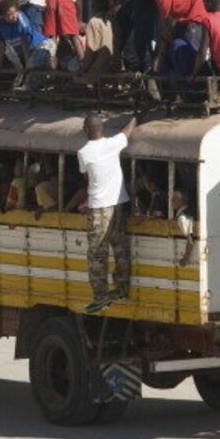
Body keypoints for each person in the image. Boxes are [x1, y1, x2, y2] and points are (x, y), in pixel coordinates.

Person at [78, 112, 139, 313]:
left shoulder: (83, 153)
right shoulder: (113, 144)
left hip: (98, 207)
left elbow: (87, 179)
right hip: (119, 203)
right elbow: (126, 132)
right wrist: (135, 118)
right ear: (102, 129)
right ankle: (121, 288)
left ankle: (101, 297)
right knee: (120, 247)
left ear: (86, 130)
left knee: (97, 254)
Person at [132, 0, 207, 74]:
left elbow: (167, 25)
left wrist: (159, 55)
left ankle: (193, 80)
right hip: (186, 16)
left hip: (197, 16)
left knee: (188, 51)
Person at [0, 0, 56, 90]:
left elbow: (24, 42)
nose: (13, 16)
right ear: (2, 16)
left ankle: (47, 83)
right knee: (29, 69)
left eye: (14, 13)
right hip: (29, 53)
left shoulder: (21, 20)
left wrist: (27, 63)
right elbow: (1, 45)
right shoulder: (0, 25)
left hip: (43, 45)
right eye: (9, 15)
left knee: (31, 65)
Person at [78, 0, 114, 76]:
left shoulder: (94, 22)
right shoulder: (112, 21)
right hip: (113, 68)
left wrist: (83, 69)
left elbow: (91, 50)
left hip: (98, 70)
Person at [172, 189, 196, 268]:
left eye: (174, 199)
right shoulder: (190, 211)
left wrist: (184, 259)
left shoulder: (182, 218)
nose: (171, 202)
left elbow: (190, 242)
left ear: (181, 201)